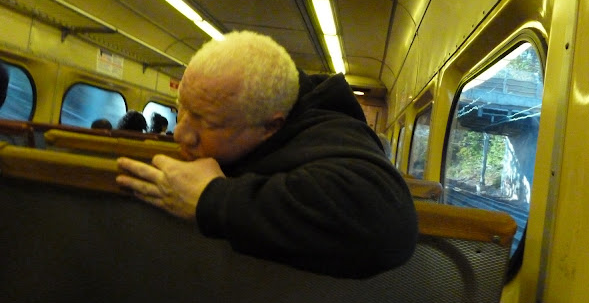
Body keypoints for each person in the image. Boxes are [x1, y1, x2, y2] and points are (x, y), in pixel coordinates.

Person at [116, 30, 417, 278]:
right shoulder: (239, 115)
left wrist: (213, 200)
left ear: (271, 127)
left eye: (209, 123)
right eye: (181, 108)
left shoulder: (330, 133)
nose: (180, 134)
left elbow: (388, 227)